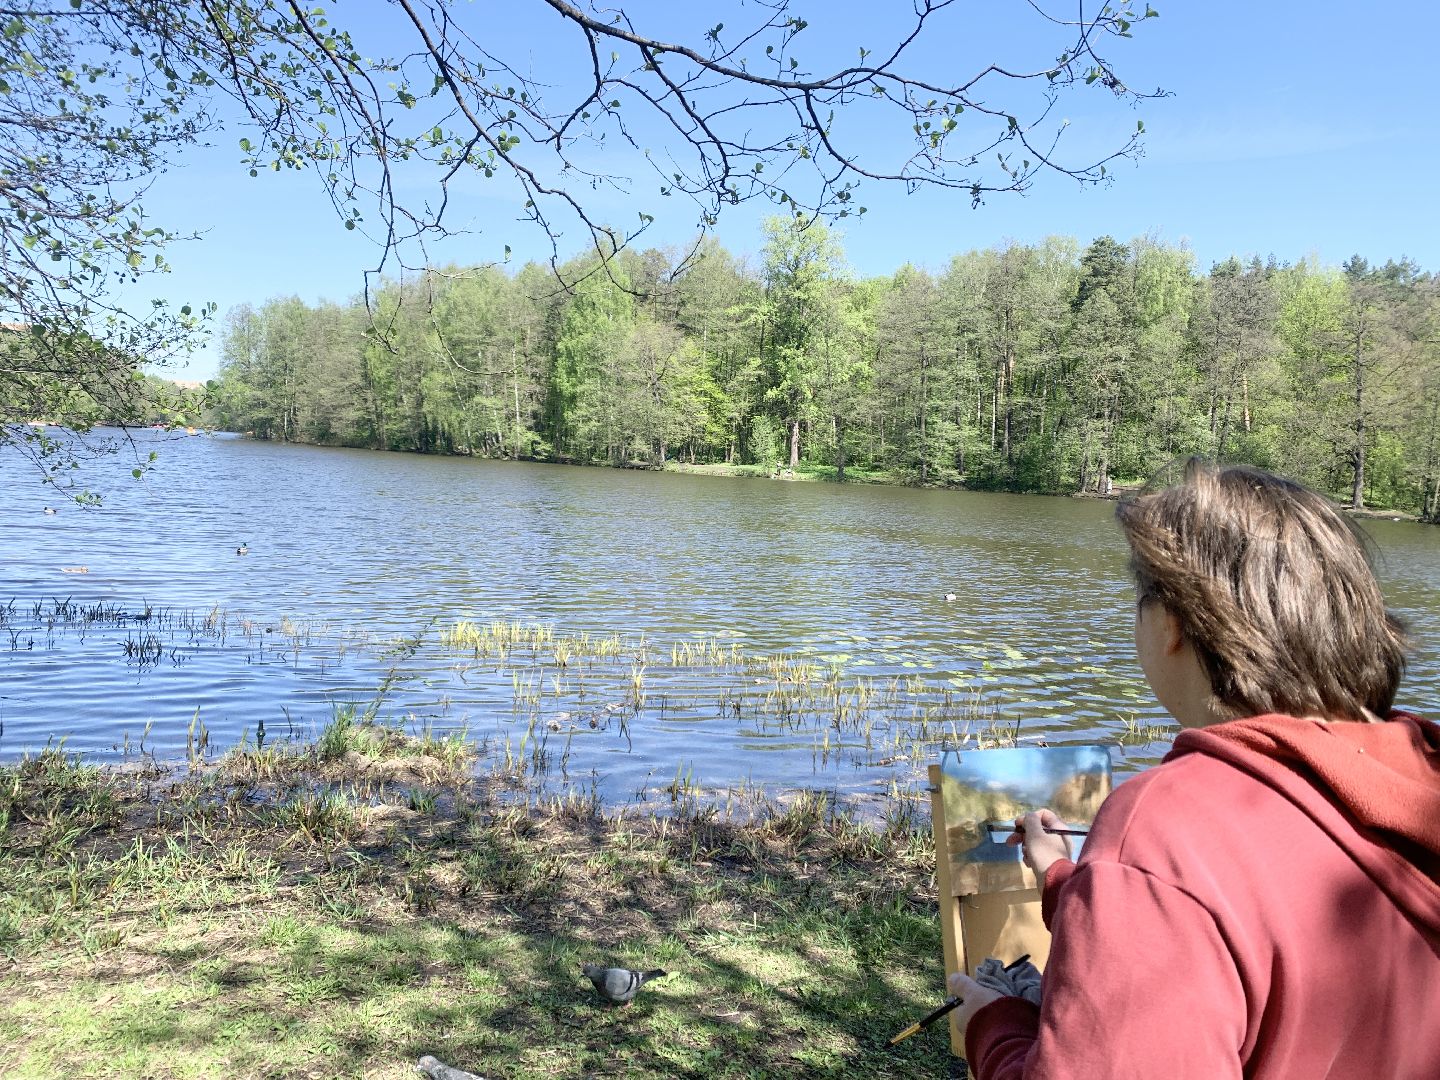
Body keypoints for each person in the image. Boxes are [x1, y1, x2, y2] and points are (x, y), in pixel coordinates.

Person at [949, 458, 1440, 1079]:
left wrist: (996, 1028)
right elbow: (1241, 913)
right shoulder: (1417, 773)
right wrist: (1064, 877)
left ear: (1174, 623)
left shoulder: (1165, 828)